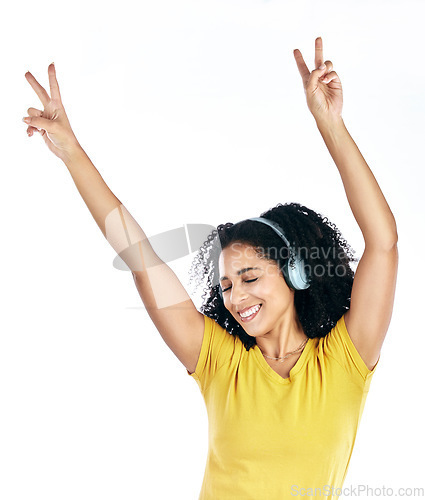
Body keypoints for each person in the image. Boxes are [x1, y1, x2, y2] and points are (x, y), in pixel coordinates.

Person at [23, 36, 398, 499]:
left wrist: (330, 124)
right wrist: (71, 152)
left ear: (296, 272)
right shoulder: (223, 363)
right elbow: (142, 260)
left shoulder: (345, 360)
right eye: (225, 284)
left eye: (250, 277)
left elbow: (383, 242)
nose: (236, 297)